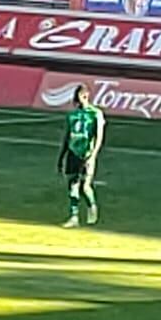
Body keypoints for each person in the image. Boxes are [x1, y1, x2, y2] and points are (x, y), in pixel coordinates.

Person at [58, 82, 104, 226]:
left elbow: (99, 136)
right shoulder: (72, 115)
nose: (78, 100)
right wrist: (61, 157)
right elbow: (67, 136)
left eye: (80, 97)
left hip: (87, 153)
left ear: (86, 96)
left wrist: (93, 155)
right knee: (72, 185)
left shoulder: (95, 113)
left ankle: (92, 206)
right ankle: (74, 216)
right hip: (73, 153)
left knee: (84, 187)